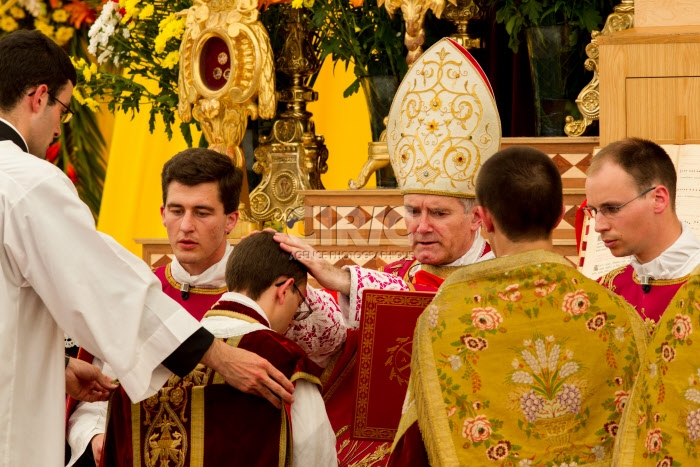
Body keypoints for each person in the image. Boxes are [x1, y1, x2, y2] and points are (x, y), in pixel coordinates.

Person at [0, 29, 293, 466]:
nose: (61, 125)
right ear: (39, 97)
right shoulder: (27, 182)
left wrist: (58, 370)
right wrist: (219, 357)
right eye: (65, 108)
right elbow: (108, 291)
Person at [275, 37, 501, 466]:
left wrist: (346, 280)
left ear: (478, 218)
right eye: (412, 210)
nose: (420, 226)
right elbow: (337, 354)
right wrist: (301, 294)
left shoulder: (502, 282)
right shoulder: (393, 273)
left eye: (438, 212)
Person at [388, 146, 646, 466]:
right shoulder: (617, 314)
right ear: (558, 215)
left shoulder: (444, 321)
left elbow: (414, 451)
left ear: (483, 220)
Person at [100, 232, 337, 467]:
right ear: (284, 290)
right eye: (301, 304)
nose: (295, 320)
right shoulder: (284, 364)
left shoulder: (141, 365)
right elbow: (316, 457)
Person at [585, 138, 700, 334]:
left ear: (658, 199)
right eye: (594, 210)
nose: (598, 226)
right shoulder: (604, 292)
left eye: (611, 208)